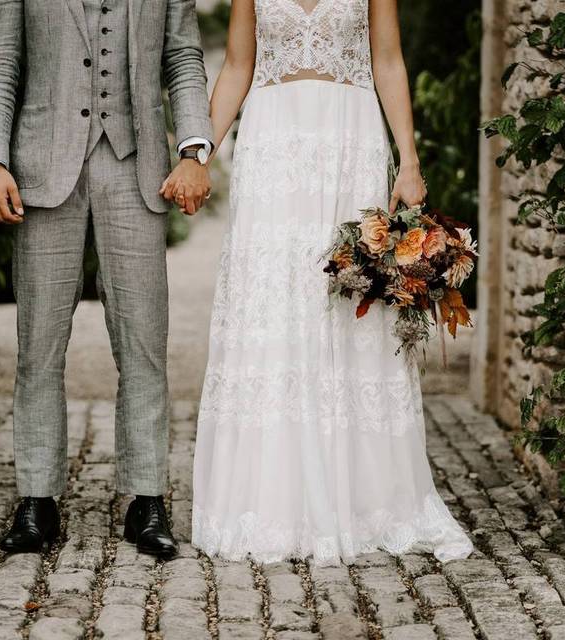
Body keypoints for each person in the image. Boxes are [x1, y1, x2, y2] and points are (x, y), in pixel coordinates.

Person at [177, 0, 474, 564]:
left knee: (349, 301)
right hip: (272, 149)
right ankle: (270, 500)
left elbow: (387, 59)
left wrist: (408, 160)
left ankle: (365, 499)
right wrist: (199, 154)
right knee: (276, 298)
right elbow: (239, 66)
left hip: (350, 142)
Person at [0, 0, 213, 558]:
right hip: (41, 167)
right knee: (38, 345)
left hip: (136, 169)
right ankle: (37, 498)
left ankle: (147, 497)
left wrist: (194, 147)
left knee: (144, 342)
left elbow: (182, 58)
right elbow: (1, 62)